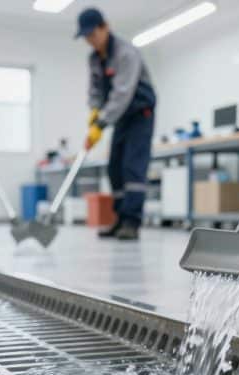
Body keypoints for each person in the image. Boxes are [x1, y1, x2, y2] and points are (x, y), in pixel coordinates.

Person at [77, 7, 157, 241]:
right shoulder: (94, 59)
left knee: (133, 167)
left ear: (105, 27)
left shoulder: (126, 53)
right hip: (120, 117)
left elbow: (122, 92)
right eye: (86, 37)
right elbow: (95, 90)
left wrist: (101, 123)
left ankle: (132, 221)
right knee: (115, 168)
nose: (90, 41)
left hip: (140, 114)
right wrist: (94, 111)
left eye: (92, 34)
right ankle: (120, 219)